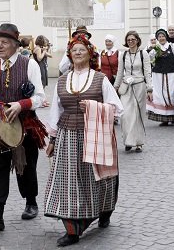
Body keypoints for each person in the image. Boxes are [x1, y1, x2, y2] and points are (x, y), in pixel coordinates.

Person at [44, 34, 123, 247]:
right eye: (74, 50)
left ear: (90, 54)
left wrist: (93, 107)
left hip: (95, 134)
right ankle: (72, 228)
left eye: (82, 49)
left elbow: (116, 109)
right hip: (67, 135)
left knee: (97, 178)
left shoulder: (100, 79)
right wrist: (51, 139)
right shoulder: (62, 80)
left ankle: (104, 210)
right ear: (69, 55)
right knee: (70, 180)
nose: (77, 53)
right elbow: (55, 111)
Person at [0, 23, 47, 231]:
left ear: (16, 45)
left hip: (25, 123)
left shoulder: (29, 64)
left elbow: (40, 97)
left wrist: (20, 104)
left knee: (25, 166)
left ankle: (31, 202)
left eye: (4, 42)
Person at [114, 31, 152, 152]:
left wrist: (149, 89)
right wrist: (115, 87)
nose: (131, 42)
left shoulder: (143, 54)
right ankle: (128, 140)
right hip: (126, 87)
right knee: (125, 115)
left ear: (137, 40)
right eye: (128, 40)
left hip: (139, 86)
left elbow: (147, 72)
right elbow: (120, 72)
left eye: (133, 39)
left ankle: (138, 142)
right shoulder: (123, 55)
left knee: (137, 115)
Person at [146, 29, 174, 126]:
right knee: (160, 95)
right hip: (158, 75)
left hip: (171, 74)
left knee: (171, 94)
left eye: (163, 36)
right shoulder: (155, 49)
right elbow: (148, 60)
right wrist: (150, 50)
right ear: (157, 38)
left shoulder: (172, 47)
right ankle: (163, 118)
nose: (161, 38)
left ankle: (173, 116)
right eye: (159, 37)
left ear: (166, 37)